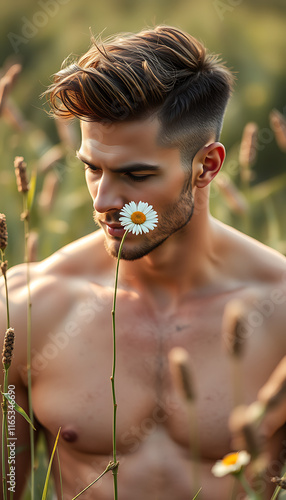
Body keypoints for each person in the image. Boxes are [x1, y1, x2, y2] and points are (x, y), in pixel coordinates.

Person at [1, 25, 286, 500]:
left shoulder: (278, 311)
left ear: (208, 165)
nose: (104, 200)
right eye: (93, 168)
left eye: (136, 174)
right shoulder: (28, 312)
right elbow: (8, 484)